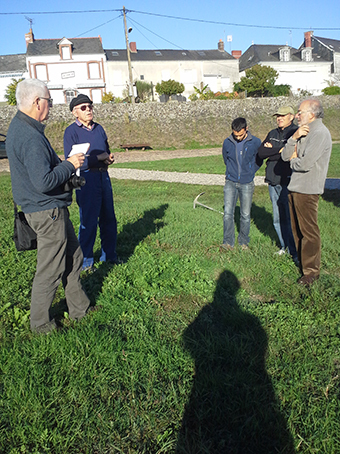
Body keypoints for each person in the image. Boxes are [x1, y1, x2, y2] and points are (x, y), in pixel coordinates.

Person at [6, 79, 91, 333]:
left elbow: (38, 170)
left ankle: (79, 309)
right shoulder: (30, 136)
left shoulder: (20, 127)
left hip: (46, 209)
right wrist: (70, 164)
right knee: (50, 269)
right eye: (49, 101)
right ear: (37, 102)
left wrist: (60, 162)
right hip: (47, 211)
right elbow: (43, 182)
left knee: (74, 256)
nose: (51, 106)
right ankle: (40, 325)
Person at [64, 94, 118, 271]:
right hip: (86, 179)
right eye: (83, 108)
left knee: (109, 218)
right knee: (88, 221)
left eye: (90, 106)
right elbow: (71, 160)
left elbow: (106, 150)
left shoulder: (99, 128)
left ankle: (109, 256)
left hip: (103, 177)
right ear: (74, 112)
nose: (89, 110)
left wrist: (108, 158)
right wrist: (97, 158)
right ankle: (85, 261)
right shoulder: (71, 132)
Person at [281, 99, 332, 286]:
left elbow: (303, 163)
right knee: (297, 230)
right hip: (295, 187)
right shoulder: (303, 132)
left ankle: (311, 272)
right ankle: (303, 264)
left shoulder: (319, 133)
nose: (297, 115)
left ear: (312, 114)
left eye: (300, 112)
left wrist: (294, 159)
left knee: (309, 232)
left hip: (308, 190)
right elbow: (285, 155)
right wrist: (293, 138)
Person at [257, 106, 298, 259]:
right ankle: (283, 245)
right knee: (276, 217)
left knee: (289, 216)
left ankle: (294, 250)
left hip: (288, 180)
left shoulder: (295, 132)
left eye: (283, 115)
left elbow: (291, 154)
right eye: (277, 116)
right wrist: (279, 150)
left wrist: (274, 150)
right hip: (272, 179)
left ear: (291, 116)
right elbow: (261, 153)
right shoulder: (272, 133)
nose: (279, 118)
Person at [222, 117, 261, 250]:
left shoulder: (255, 142)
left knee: (245, 215)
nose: (238, 137)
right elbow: (226, 159)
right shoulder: (227, 143)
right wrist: (232, 173)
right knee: (228, 213)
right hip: (230, 182)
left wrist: (250, 171)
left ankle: (243, 241)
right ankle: (228, 242)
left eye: (241, 135)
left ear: (247, 129)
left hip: (247, 183)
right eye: (235, 135)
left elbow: (259, 159)